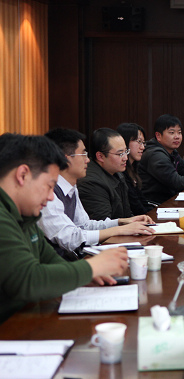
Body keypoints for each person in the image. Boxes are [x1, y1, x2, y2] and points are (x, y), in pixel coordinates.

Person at [0, 133, 128, 324]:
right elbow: (28, 280)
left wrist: (86, 276)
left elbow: (50, 260)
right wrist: (91, 267)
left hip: (26, 319)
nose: (52, 197)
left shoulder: (26, 215)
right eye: (49, 186)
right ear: (22, 175)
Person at [38, 128, 153, 257]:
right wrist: (119, 230)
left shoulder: (71, 187)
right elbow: (70, 238)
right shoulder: (48, 194)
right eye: (83, 155)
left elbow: (84, 225)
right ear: (66, 160)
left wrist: (121, 222)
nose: (87, 160)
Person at [78, 128, 134, 221]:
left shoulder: (117, 172)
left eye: (126, 151)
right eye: (120, 154)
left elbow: (127, 214)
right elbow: (103, 224)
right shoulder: (91, 183)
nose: (126, 158)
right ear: (100, 156)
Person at [116, 123, 154, 215]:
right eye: (139, 141)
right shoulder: (120, 171)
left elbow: (141, 200)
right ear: (124, 142)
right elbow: (135, 207)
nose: (142, 147)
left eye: (143, 143)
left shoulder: (134, 167)